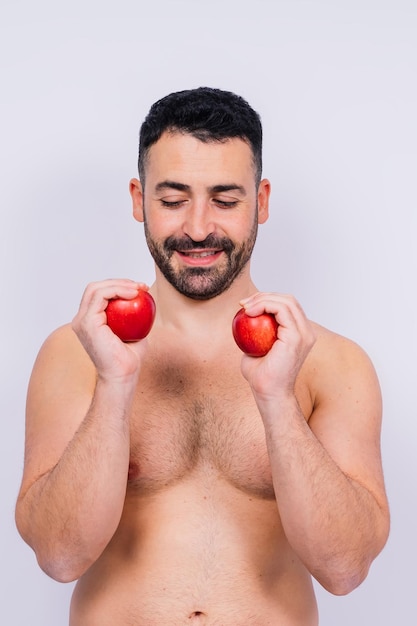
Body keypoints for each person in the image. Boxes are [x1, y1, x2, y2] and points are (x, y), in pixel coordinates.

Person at [15, 87, 390, 626]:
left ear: (260, 201)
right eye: (172, 200)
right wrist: (114, 385)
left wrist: (277, 401)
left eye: (224, 199)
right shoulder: (75, 354)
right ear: (138, 199)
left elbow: (345, 568)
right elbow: (59, 556)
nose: (196, 227)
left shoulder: (333, 364)